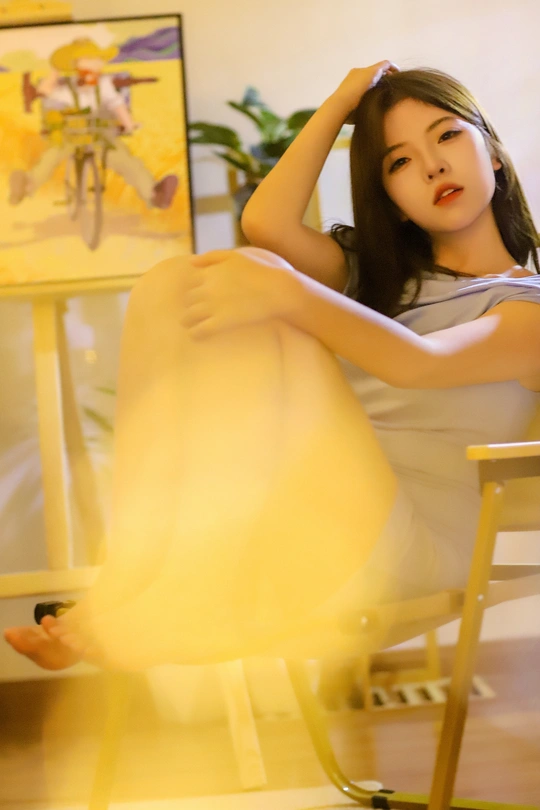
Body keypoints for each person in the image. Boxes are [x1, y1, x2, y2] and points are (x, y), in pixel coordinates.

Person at [4, 61, 540, 672]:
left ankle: (153, 611)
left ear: (493, 152)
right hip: (305, 517)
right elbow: (265, 223)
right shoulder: (381, 280)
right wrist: (341, 101)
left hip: (407, 553)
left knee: (265, 292)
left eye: (447, 135)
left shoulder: (527, 306)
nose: (433, 166)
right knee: (172, 285)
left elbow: (419, 364)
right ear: (390, 199)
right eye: (398, 163)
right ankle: (125, 576)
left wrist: (288, 294)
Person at [8, 38, 178, 210]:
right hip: (70, 135)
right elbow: (44, 91)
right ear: (76, 64)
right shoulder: (67, 86)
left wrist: (128, 124)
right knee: (51, 157)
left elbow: (116, 104)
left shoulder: (104, 84)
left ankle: (154, 194)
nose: (95, 64)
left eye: (97, 60)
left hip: (101, 135)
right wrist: (56, 71)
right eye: (89, 60)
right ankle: (26, 186)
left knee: (124, 160)